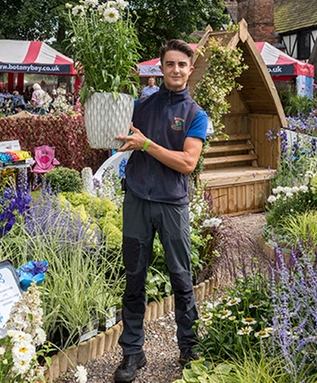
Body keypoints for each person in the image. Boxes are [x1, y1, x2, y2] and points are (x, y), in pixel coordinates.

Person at [112, 40, 208, 382]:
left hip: (172, 205)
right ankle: (133, 353)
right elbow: (119, 133)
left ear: (190, 69)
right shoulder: (143, 105)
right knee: (134, 278)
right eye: (170, 64)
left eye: (182, 64)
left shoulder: (196, 115)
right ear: (162, 68)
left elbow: (187, 163)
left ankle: (189, 348)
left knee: (181, 278)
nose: (176, 70)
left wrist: (147, 145)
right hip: (137, 199)